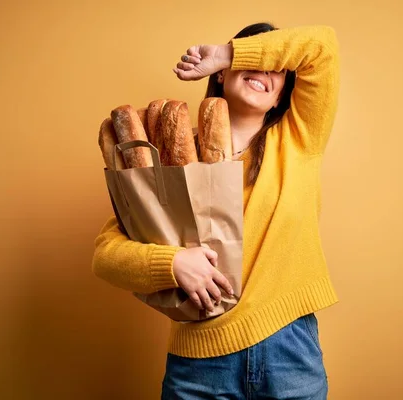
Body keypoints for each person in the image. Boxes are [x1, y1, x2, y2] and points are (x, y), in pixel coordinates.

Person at [92, 22, 340, 399]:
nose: (265, 72)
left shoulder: (299, 140)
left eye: (276, 69)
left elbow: (322, 46)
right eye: (253, 62)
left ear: (280, 98)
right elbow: (105, 256)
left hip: (289, 349)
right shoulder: (171, 160)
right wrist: (173, 264)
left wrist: (230, 53)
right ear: (222, 78)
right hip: (199, 362)